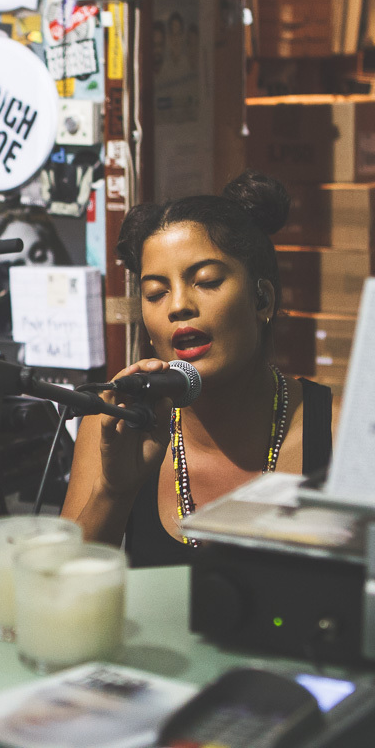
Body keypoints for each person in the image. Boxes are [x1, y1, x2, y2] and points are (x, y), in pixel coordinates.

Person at [61, 170, 337, 567]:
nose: (178, 306)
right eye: (156, 292)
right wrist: (112, 492)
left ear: (262, 300)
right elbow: (64, 598)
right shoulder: (117, 426)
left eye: (206, 281)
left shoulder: (336, 430)